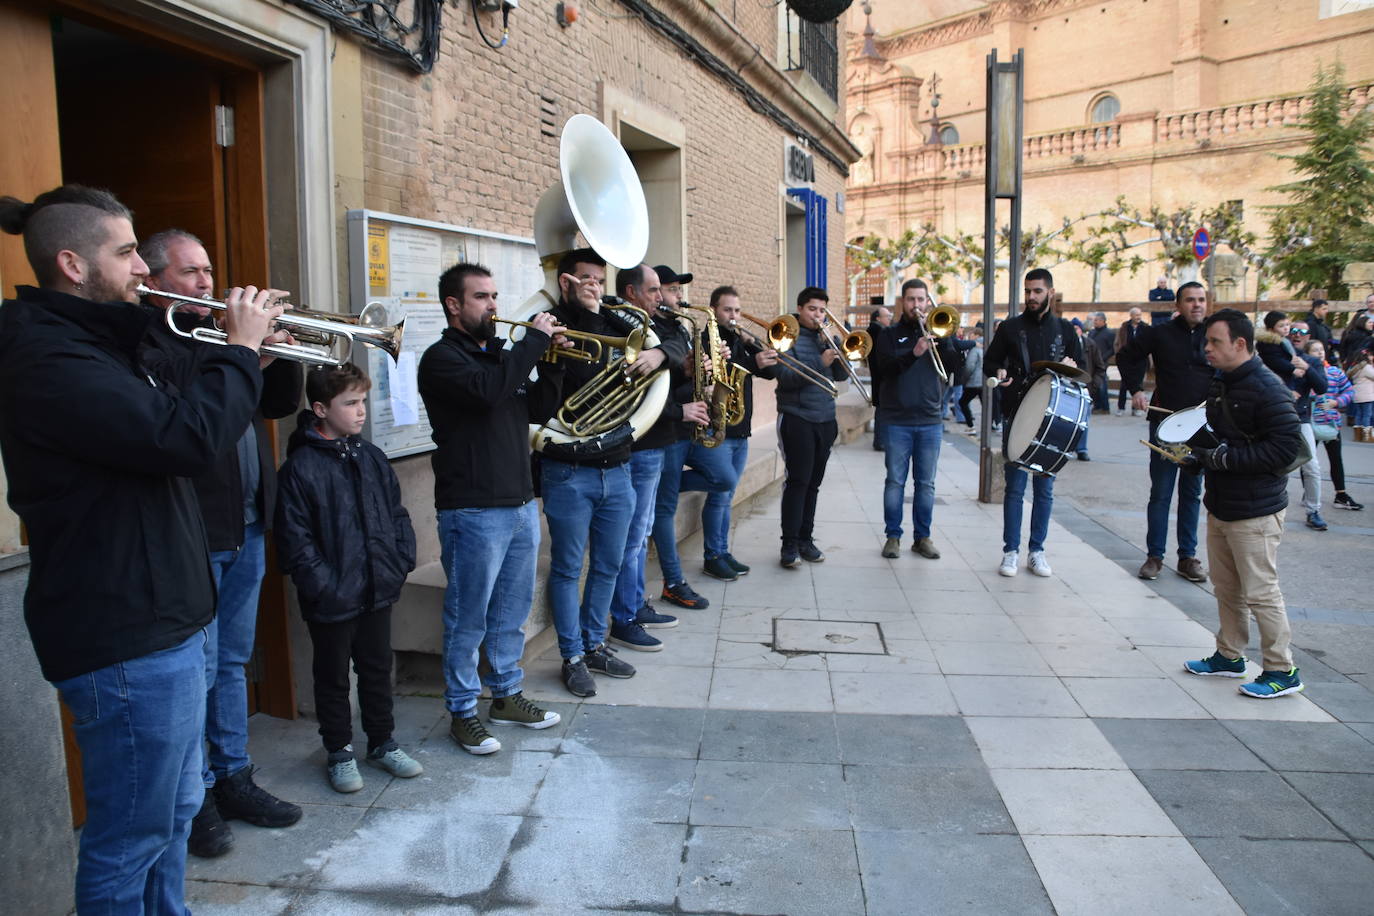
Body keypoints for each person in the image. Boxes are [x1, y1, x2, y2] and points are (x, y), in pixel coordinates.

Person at [0, 185, 279, 912]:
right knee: (128, 841)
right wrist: (242, 350)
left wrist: (254, 358)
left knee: (175, 816)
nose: (139, 269)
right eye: (126, 252)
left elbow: (184, 413)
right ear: (71, 262)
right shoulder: (47, 356)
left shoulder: (112, 341)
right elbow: (181, 438)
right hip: (123, 635)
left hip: (167, 622)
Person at [138, 229, 304, 858]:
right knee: (197, 671)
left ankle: (233, 774)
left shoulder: (215, 333)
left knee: (232, 662)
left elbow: (276, 403)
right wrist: (239, 350)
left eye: (209, 270)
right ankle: (198, 793)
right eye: (190, 272)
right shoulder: (153, 342)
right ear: (153, 281)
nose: (207, 284)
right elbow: (188, 415)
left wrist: (275, 352)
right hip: (197, 529)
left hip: (249, 522)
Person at [416, 262, 565, 754]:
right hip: (473, 510)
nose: (494, 305)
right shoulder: (442, 360)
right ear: (454, 305)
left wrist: (555, 361)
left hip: (520, 503)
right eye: (482, 297)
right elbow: (487, 394)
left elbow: (538, 406)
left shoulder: (502, 354)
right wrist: (531, 348)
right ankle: (462, 709)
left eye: (495, 295)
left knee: (510, 611)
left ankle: (505, 695)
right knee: (468, 616)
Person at [275, 364, 422, 784]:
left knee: (377, 668)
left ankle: (382, 742)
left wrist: (399, 560)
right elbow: (295, 540)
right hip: (332, 596)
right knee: (334, 676)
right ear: (320, 408)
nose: (361, 412)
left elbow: (396, 513)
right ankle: (339, 751)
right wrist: (323, 585)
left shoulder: (371, 455)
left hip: (377, 586)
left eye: (363, 401)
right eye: (351, 403)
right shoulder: (301, 468)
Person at [536, 249, 659, 696]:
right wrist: (586, 316)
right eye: (585, 279)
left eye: (599, 279)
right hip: (569, 470)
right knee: (569, 568)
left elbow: (667, 339)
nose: (594, 286)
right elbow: (575, 390)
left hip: (618, 468)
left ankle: (593, 644)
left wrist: (661, 353)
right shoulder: (548, 323)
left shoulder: (616, 318)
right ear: (565, 282)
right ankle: (571, 656)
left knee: (608, 564)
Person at [1182, 309, 1305, 699]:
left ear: (1240, 343)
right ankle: (1229, 656)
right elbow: (1221, 435)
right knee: (1227, 587)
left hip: (1256, 510)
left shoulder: (1268, 387)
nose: (1208, 349)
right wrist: (1199, 453)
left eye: (1215, 342)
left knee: (1261, 591)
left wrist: (1228, 459)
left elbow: (1287, 448)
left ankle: (1281, 670)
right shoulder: (1223, 382)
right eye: (1206, 342)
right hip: (1223, 504)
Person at [984, 268, 1084, 577]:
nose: (1031, 297)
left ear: (1050, 293)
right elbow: (990, 361)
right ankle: (1010, 551)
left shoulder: (1066, 331)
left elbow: (1082, 372)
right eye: (1027, 291)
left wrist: (1072, 366)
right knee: (1014, 490)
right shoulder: (1010, 329)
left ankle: (1036, 551)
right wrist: (998, 373)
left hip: (1052, 422)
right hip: (1018, 416)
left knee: (1045, 491)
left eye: (1037, 291)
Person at [1118, 282, 1213, 582]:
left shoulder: (1215, 333)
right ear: (1178, 305)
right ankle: (1154, 557)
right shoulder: (1159, 333)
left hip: (1201, 427)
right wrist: (1135, 389)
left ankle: (1187, 557)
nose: (1196, 305)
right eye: (1190, 300)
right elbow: (1126, 356)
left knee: (1191, 493)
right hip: (1166, 424)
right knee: (1160, 493)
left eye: (1201, 300)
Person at [682, 285, 778, 580]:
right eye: (728, 310)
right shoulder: (705, 342)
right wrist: (750, 360)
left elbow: (769, 371)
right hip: (718, 428)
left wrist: (754, 346)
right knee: (721, 493)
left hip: (740, 429)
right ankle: (713, 555)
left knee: (727, 494)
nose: (734, 316)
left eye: (737, 310)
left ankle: (722, 551)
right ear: (714, 310)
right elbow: (712, 377)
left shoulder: (739, 339)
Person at [638, 264, 714, 630]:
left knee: (723, 476)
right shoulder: (650, 329)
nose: (673, 297)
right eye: (666, 289)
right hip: (660, 434)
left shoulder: (679, 328)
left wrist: (705, 373)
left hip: (679, 431)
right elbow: (646, 393)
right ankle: (672, 582)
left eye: (670, 290)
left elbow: (677, 379)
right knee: (657, 515)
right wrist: (682, 385)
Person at [870, 278, 968, 559]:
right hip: (897, 419)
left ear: (928, 302)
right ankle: (892, 536)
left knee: (926, 484)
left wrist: (946, 341)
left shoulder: (939, 333)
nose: (916, 305)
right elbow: (884, 369)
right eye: (911, 300)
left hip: (929, 420)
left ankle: (922, 537)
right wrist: (914, 353)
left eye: (921, 300)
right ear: (903, 302)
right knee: (895, 482)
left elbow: (954, 370)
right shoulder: (888, 335)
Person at [775, 286, 850, 567]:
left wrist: (835, 346)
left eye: (822, 310)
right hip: (797, 418)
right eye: (812, 309)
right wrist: (819, 363)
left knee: (814, 485)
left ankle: (806, 539)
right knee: (798, 482)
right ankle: (789, 544)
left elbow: (842, 375)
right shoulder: (786, 333)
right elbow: (784, 377)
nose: (818, 315)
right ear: (800, 308)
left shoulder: (825, 338)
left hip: (825, 419)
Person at [1256, 311, 1328, 530]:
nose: (1295, 334)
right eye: (1290, 329)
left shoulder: (1309, 360)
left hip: (1301, 418)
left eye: (1301, 331)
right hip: (1274, 418)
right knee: (1272, 465)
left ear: (1308, 336)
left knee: (1312, 467)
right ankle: (1267, 508)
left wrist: (1306, 368)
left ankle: (1313, 510)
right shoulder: (1271, 355)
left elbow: (1322, 387)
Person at [1305, 339, 1363, 510]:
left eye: (1321, 349)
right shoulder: (1303, 373)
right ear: (1307, 354)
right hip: (1310, 424)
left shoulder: (1335, 372)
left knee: (1336, 460)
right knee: (1308, 463)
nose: (1320, 353)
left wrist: (1336, 403)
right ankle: (1309, 493)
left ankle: (1341, 494)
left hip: (1332, 425)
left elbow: (1349, 391)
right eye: (1315, 350)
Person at [1075, 322, 1106, 461]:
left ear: (1081, 330)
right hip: (1069, 386)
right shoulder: (1065, 343)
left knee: (1083, 420)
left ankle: (1081, 449)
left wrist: (1094, 385)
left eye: (1076, 328)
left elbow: (1100, 367)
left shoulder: (1090, 344)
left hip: (1086, 388)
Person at [1114, 306, 1147, 415]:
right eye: (1136, 315)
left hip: (1140, 359)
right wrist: (1119, 352)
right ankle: (1121, 408)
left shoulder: (1145, 327)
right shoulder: (1124, 327)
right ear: (1131, 316)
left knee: (1139, 384)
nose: (1138, 317)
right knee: (1124, 384)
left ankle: (1136, 408)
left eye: (1140, 315)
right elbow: (1118, 341)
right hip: (1126, 359)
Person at [869, 305, 893, 450]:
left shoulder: (875, 331)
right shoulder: (879, 331)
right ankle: (880, 441)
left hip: (879, 376)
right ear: (878, 318)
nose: (889, 319)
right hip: (883, 376)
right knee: (883, 410)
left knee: (881, 409)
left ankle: (880, 440)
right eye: (887, 316)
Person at [956, 326, 985, 435]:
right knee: (985, 406)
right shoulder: (986, 347)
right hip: (984, 381)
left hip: (974, 382)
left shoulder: (975, 349)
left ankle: (971, 425)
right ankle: (989, 425)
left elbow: (969, 367)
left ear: (977, 336)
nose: (969, 336)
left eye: (972, 334)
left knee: (962, 402)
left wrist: (965, 379)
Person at [1087, 311, 1115, 413]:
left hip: (1102, 362)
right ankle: (1097, 406)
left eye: (1097, 320)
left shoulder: (1109, 333)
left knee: (1102, 385)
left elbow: (1112, 349)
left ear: (1103, 321)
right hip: (1091, 362)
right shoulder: (1092, 333)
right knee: (1093, 384)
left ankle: (1105, 407)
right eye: (1094, 320)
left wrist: (1103, 358)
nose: (1095, 322)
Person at [1347, 340, 1374, 440]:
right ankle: (1366, 436)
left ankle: (1357, 435)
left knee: (1358, 414)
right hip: (1367, 395)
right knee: (1367, 415)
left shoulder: (1355, 367)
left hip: (1357, 395)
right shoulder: (1366, 367)